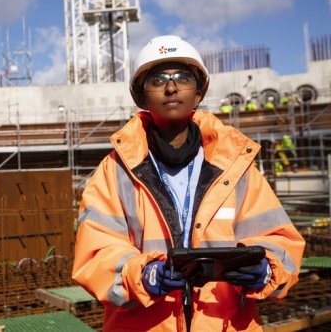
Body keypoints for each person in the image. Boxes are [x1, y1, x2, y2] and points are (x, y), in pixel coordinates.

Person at [72, 35, 305, 332]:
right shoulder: (114, 171)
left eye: (182, 77)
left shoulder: (237, 166)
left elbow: (280, 239)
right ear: (141, 96)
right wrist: (142, 275)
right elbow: (95, 252)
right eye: (158, 79)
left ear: (198, 93)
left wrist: (266, 269)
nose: (171, 87)